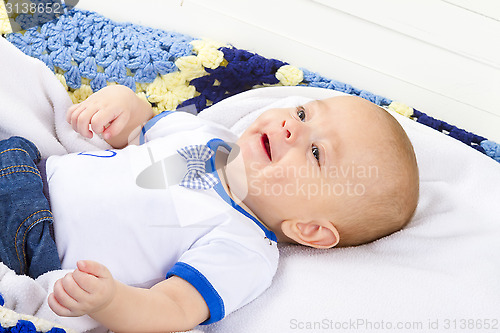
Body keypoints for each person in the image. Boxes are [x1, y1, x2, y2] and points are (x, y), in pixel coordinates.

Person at [0, 85, 419, 332]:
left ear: (310, 230)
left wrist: (109, 301)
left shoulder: (244, 247)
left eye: (315, 152)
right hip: (25, 167)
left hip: (32, 240)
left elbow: (175, 308)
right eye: (303, 112)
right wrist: (119, 104)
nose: (292, 126)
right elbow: (139, 127)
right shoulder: (209, 136)